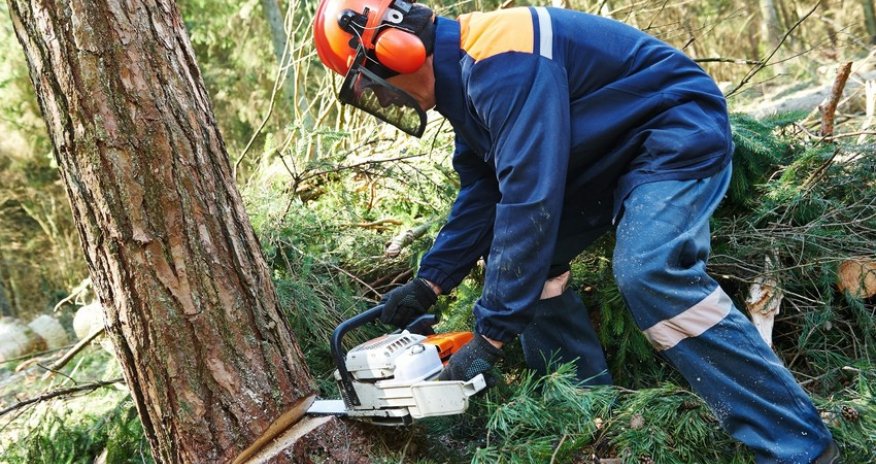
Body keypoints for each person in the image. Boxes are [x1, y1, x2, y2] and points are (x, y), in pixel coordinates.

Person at [313, 1, 839, 462]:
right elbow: (484, 193)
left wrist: (491, 335)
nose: (377, 96)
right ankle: (589, 416)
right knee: (530, 264)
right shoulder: (465, 82)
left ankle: (796, 444)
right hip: (601, 157)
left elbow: (529, 198)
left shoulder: (502, 63)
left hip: (672, 131)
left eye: (369, 80)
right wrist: (429, 283)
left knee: (649, 272)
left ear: (398, 51)